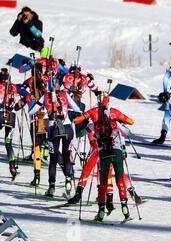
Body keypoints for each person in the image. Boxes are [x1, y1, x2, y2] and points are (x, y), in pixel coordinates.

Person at [73, 92, 135, 222]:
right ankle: (125, 209)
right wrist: (121, 123)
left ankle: (101, 212)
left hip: (103, 153)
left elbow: (79, 126)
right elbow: (130, 125)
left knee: (102, 182)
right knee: (120, 179)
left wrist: (84, 123)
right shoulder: (114, 119)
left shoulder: (95, 123)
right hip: (117, 152)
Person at [29, 80, 81, 197]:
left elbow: (31, 111)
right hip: (67, 128)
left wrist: (36, 105)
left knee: (53, 159)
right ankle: (68, 180)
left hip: (53, 129)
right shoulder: (65, 94)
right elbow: (77, 108)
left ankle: (51, 187)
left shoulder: (44, 96)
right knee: (66, 154)